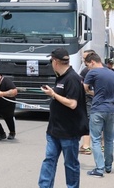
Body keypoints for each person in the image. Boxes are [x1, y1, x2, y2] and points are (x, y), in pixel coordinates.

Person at [38, 48, 88, 188]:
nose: (51, 63)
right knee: (49, 160)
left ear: (56, 62)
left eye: (51, 60)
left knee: (70, 165)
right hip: (54, 130)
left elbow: (72, 103)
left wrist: (53, 95)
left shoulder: (72, 78)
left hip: (69, 132)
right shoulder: (60, 77)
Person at [83, 52, 114, 177]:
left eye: (88, 65)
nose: (88, 68)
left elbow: (85, 88)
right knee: (109, 139)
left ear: (92, 62)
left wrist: (92, 93)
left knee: (95, 139)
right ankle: (108, 166)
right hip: (111, 109)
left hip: (97, 109)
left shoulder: (93, 73)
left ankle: (99, 169)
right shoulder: (112, 73)